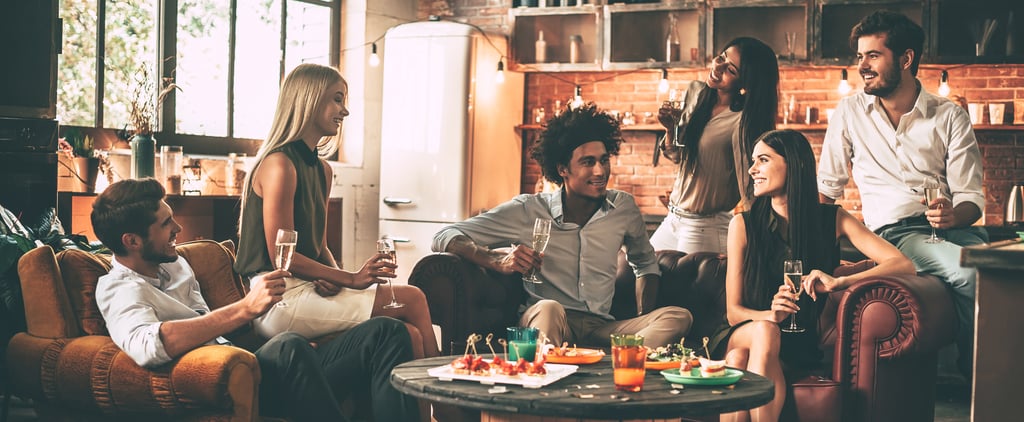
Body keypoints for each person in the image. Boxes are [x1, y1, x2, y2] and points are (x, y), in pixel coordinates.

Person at [91, 178, 419, 421]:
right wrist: (246, 307)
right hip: (224, 380)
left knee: (387, 331)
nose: (178, 227)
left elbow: (213, 329)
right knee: (288, 344)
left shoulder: (175, 265)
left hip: (249, 365)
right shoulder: (117, 290)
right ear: (132, 241)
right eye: (165, 224)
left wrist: (267, 314)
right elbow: (148, 347)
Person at [431, 103, 693, 348]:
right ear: (562, 169)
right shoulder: (528, 210)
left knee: (678, 317)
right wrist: (493, 259)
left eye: (604, 160)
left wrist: (642, 318)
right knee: (550, 308)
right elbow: (444, 236)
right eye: (588, 162)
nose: (600, 172)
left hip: (600, 328)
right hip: (546, 319)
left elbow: (645, 264)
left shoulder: (622, 208)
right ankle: (553, 380)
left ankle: (618, 362)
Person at [817, 10, 986, 378]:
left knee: (1004, 275)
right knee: (975, 276)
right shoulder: (848, 113)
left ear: (906, 59)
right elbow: (825, 191)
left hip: (957, 232)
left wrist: (953, 215)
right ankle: (979, 378)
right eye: (859, 56)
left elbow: (971, 199)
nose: (862, 65)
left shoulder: (949, 115)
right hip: (896, 235)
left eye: (872, 56)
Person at [233, 63, 439, 357]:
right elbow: (284, 257)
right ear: (309, 100)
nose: (345, 111)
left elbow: (320, 246)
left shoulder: (323, 170)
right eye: (337, 99)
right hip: (276, 298)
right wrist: (351, 279)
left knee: (410, 335)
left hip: (304, 289)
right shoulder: (279, 164)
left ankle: (425, 403)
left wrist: (335, 275)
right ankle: (449, 400)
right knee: (414, 299)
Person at [712, 129, 914, 422]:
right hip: (743, 331)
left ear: (794, 164)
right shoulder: (742, 225)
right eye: (753, 161)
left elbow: (902, 264)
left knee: (736, 363)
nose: (752, 170)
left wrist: (839, 282)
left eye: (763, 160)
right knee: (762, 334)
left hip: (797, 344)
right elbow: (733, 313)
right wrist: (773, 315)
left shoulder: (832, 219)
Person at [649, 37, 779, 254]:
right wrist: (670, 129)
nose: (717, 69)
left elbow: (750, 184)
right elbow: (679, 158)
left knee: (684, 288)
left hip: (704, 227)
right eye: (721, 58)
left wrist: (761, 239)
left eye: (730, 70)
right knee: (640, 274)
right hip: (672, 219)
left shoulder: (742, 121)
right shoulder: (696, 95)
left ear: (745, 84)